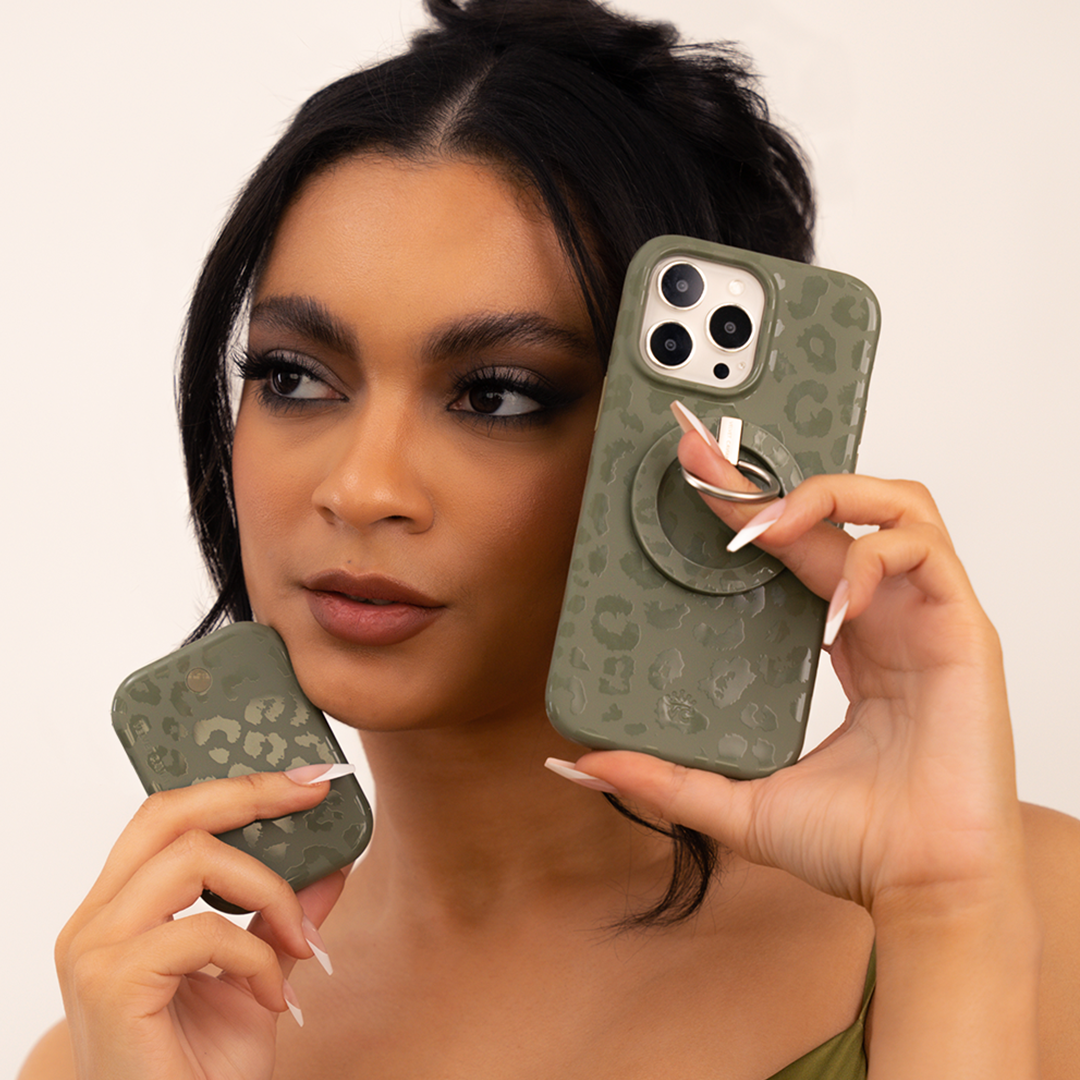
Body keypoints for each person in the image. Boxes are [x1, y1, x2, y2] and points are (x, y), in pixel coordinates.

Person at [20, 0, 1080, 1077]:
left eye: (497, 395)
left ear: (688, 444)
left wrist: (948, 923)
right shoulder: (129, 1039)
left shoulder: (1020, 907)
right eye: (293, 377)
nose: (362, 488)